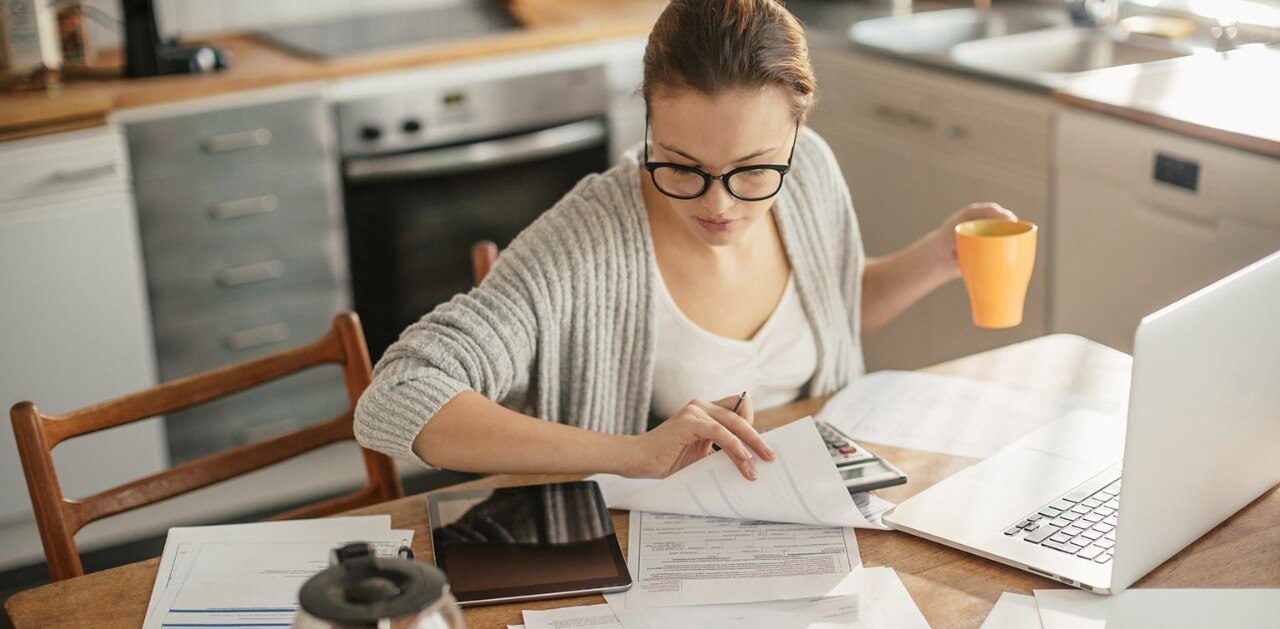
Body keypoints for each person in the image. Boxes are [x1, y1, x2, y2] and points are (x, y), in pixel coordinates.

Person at [354, 0, 1016, 482]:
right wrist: (632, 453)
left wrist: (936, 256)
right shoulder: (587, 242)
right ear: (647, 123)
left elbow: (835, 304)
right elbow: (399, 394)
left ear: (796, 132)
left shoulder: (810, 171)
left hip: (817, 512)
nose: (719, 203)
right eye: (682, 165)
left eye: (754, 168)